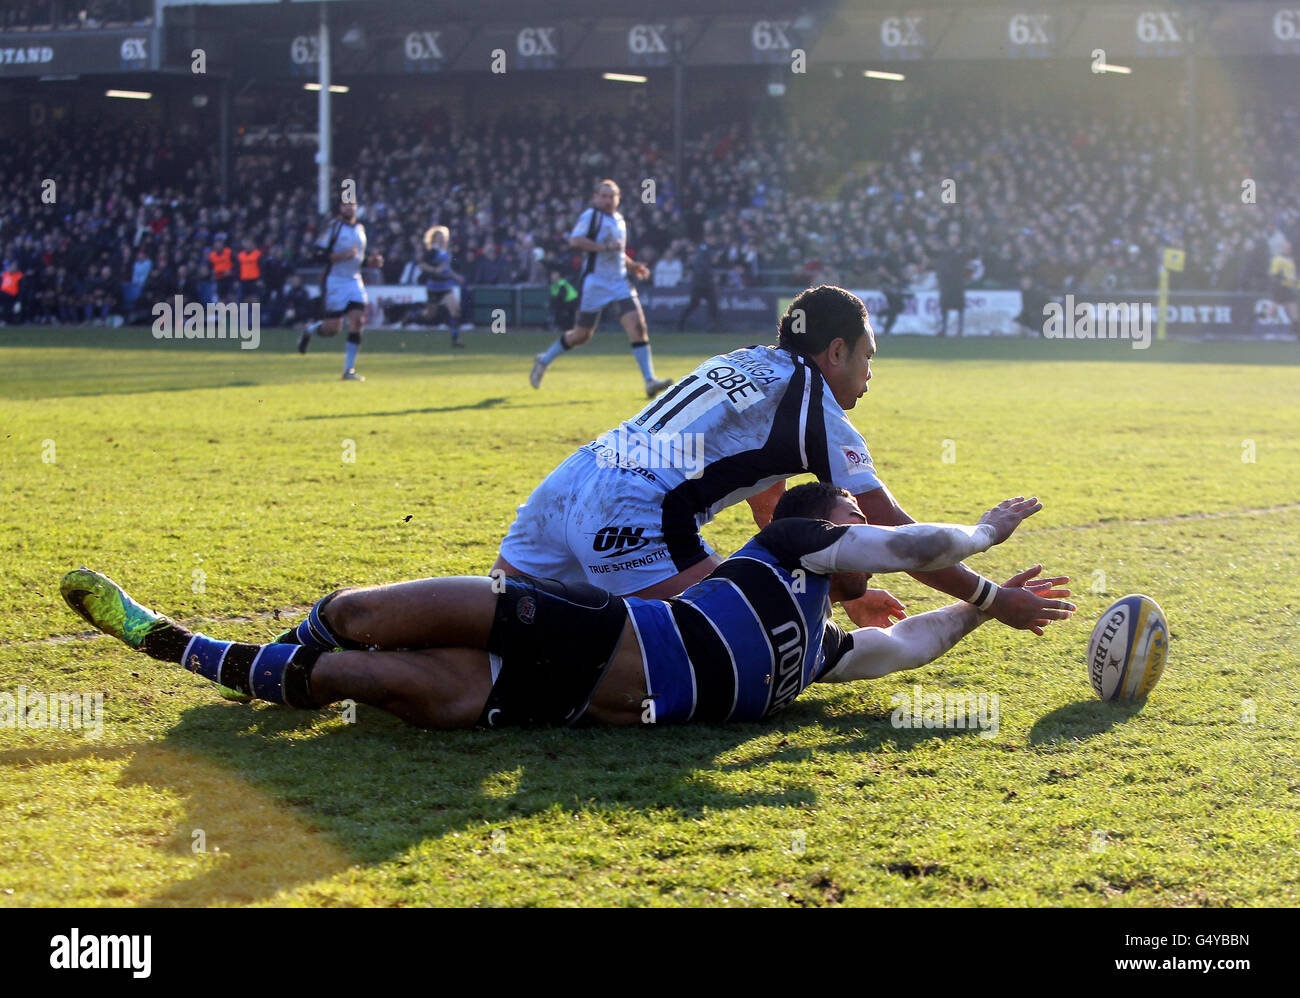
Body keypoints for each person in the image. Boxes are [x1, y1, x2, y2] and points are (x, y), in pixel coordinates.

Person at [59, 488, 1072, 730]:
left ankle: (176, 643)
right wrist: (980, 543)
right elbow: (899, 547)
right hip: (574, 626)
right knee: (357, 611)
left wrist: (987, 611)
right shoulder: (790, 549)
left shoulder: (821, 648)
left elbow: (911, 640)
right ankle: (207, 645)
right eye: (846, 516)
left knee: (345, 677)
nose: (860, 528)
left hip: (563, 702)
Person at [496, 284, 1065, 637]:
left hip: (571, 481)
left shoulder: (749, 360)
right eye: (868, 356)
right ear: (836, 351)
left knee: (492, 623)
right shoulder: (817, 409)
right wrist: (991, 597)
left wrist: (852, 588)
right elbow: (895, 530)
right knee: (742, 640)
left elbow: (768, 502)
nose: (870, 373)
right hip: (635, 511)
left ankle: (409, 648)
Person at [529, 180, 672, 398]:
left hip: (620, 281)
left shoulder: (619, 220)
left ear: (618, 198)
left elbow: (617, 252)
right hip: (595, 283)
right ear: (595, 198)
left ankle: (649, 380)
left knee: (638, 327)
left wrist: (632, 265)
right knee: (581, 335)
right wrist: (604, 247)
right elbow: (575, 240)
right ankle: (544, 359)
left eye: (611, 196)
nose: (607, 200)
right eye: (603, 196)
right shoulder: (591, 217)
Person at [296, 198, 384, 381]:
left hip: (354, 280)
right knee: (332, 329)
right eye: (346, 205)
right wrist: (343, 256)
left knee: (357, 321)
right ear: (340, 207)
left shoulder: (361, 229)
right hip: (334, 281)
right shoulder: (333, 227)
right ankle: (311, 329)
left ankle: (348, 371)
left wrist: (371, 262)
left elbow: (360, 257)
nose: (350, 208)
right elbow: (318, 254)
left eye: (353, 205)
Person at [407, 225, 471, 347]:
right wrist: (434, 269)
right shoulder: (432, 252)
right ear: (434, 238)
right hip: (434, 287)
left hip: (446, 285)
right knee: (430, 314)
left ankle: (455, 340)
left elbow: (447, 269)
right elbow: (421, 265)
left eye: (443, 236)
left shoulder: (447, 251)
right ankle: (412, 316)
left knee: (455, 310)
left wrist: (456, 276)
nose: (442, 239)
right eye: (439, 237)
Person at [676, 240, 719, 331]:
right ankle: (681, 322)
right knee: (699, 304)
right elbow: (703, 271)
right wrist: (712, 276)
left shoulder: (700, 257)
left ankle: (713, 325)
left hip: (703, 285)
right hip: (701, 286)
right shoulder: (702, 259)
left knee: (710, 304)